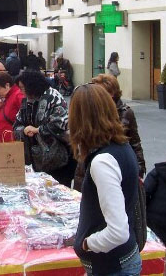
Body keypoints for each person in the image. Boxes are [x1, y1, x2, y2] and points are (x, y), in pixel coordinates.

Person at [69, 84, 142, 275]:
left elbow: (118, 232)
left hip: (112, 265)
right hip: (116, 261)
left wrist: (87, 243)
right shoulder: (119, 146)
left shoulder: (103, 161)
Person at [13, 70, 76, 186]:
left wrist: (38, 130)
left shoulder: (52, 97)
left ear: (31, 86)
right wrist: (24, 129)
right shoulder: (27, 100)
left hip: (57, 160)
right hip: (36, 159)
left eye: (22, 88)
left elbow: (62, 122)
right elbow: (18, 122)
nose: (21, 91)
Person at [92, 73, 146, 176]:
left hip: (118, 165)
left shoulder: (126, 113)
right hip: (94, 164)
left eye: (100, 92)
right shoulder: (93, 111)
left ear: (111, 93)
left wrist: (139, 167)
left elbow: (135, 142)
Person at [0, 71, 24, 143]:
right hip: (6, 139)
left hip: (13, 141)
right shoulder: (7, 96)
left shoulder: (18, 95)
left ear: (7, 85)